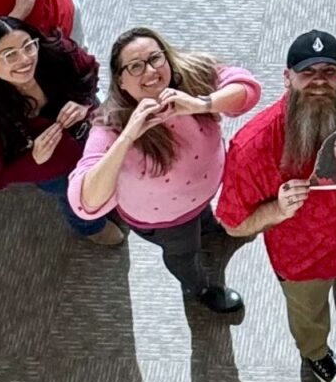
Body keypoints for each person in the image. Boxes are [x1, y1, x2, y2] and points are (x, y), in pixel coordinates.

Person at [215, 31, 336, 382]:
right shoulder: (254, 146)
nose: (319, 82)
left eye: (328, 72)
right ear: (287, 77)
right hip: (303, 259)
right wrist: (277, 208)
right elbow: (232, 223)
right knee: (310, 312)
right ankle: (315, 351)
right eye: (307, 73)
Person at [69, 27, 262, 316]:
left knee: (205, 218)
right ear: (120, 80)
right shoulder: (109, 125)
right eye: (135, 66)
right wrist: (128, 136)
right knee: (184, 253)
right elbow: (86, 202)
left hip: (204, 192)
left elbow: (246, 89)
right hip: (166, 220)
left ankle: (210, 227)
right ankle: (198, 288)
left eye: (154, 59)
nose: (150, 71)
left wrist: (199, 104)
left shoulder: (189, 74)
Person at [0, 17, 125, 245]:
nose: (26, 59)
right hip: (56, 171)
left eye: (28, 46)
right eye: (10, 55)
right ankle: (90, 227)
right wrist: (33, 160)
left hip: (94, 134)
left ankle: (111, 195)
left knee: (113, 166)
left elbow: (89, 71)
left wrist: (84, 104)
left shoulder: (56, 54)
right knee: (75, 197)